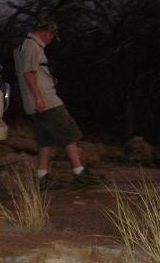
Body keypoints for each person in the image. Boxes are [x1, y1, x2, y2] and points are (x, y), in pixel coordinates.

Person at [13, 19, 102, 189]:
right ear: (46, 32)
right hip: (46, 102)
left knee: (45, 139)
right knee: (69, 133)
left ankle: (42, 176)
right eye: (52, 35)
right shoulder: (32, 45)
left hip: (32, 103)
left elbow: (32, 73)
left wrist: (48, 80)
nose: (52, 39)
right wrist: (39, 97)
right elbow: (28, 74)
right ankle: (79, 173)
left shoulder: (21, 48)